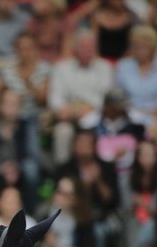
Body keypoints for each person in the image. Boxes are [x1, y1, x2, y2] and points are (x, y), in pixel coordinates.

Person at [47, 29, 114, 166]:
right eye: (84, 47)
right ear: (75, 49)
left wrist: (87, 109)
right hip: (68, 118)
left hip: (97, 118)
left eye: (91, 47)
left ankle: (103, 171)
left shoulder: (105, 68)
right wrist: (77, 110)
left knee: (108, 128)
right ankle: (63, 171)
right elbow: (55, 101)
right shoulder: (61, 68)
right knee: (62, 132)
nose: (87, 51)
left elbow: (106, 99)